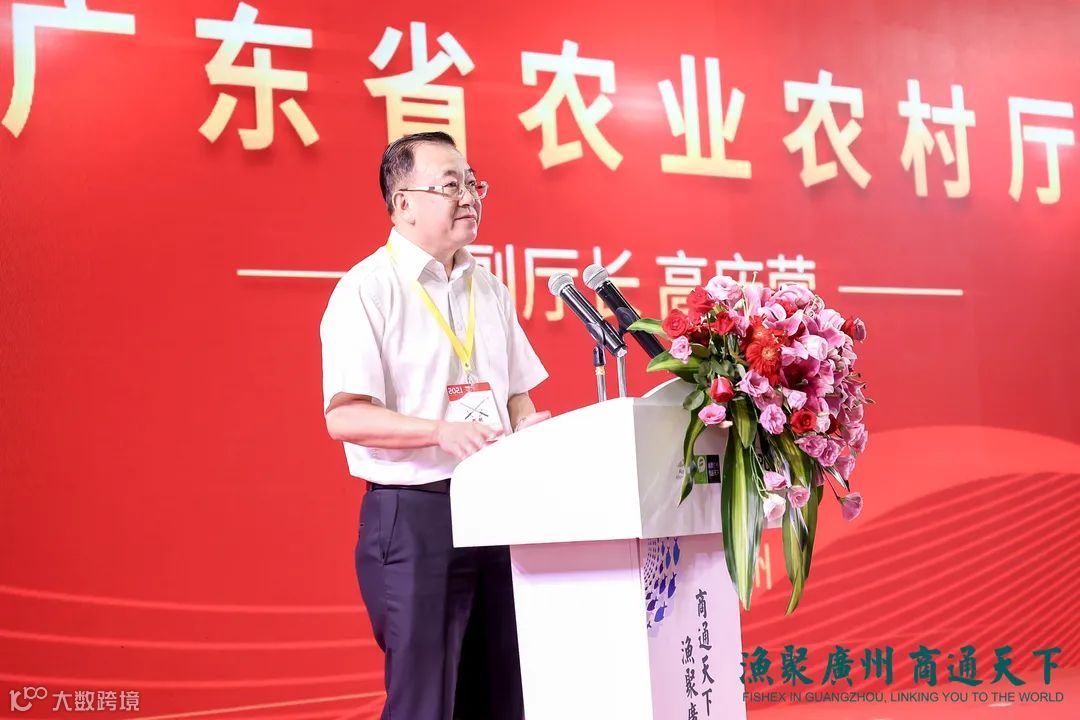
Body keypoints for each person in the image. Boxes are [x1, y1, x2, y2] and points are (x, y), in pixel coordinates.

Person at [320, 131, 549, 720]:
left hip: (496, 509)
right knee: (425, 703)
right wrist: (439, 431)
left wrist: (527, 427)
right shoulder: (367, 289)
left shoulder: (488, 288)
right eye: (451, 186)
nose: (469, 197)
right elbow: (344, 414)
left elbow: (515, 393)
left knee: (503, 695)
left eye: (473, 184)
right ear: (404, 204)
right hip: (416, 513)